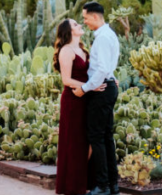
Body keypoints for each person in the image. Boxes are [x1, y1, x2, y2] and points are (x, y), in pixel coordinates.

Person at [54, 19, 106, 195]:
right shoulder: (66, 51)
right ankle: (73, 185)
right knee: (74, 141)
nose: (80, 26)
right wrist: (91, 86)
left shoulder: (83, 50)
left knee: (89, 140)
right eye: (76, 25)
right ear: (69, 31)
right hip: (73, 101)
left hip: (86, 99)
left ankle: (82, 181)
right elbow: (66, 80)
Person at [73, 2, 120, 195]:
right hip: (108, 86)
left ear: (94, 17)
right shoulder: (109, 34)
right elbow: (108, 66)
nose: (84, 22)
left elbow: (101, 69)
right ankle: (112, 184)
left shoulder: (102, 38)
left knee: (97, 137)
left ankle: (102, 186)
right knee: (106, 137)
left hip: (101, 90)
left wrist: (84, 89)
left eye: (85, 18)